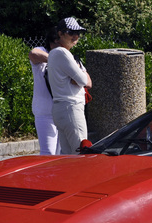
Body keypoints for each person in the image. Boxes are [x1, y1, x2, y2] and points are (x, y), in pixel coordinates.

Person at [48, 17, 92, 155]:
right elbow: (85, 80)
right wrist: (81, 73)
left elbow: (85, 81)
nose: (76, 36)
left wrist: (80, 76)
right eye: (71, 32)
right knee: (82, 153)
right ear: (60, 34)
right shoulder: (62, 53)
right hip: (71, 107)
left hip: (61, 108)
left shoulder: (55, 53)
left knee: (67, 157)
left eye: (78, 32)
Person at [29, 27, 61, 155]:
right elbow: (33, 54)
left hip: (62, 112)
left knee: (62, 155)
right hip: (45, 112)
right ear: (53, 41)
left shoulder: (69, 56)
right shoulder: (43, 52)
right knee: (48, 154)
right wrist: (57, 60)